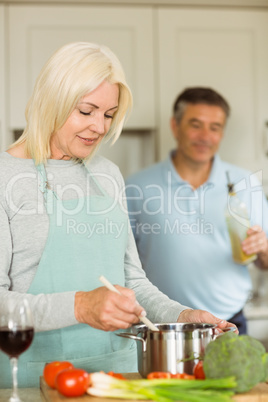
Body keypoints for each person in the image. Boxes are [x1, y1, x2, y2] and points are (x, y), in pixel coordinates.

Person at [0, 46, 236, 388]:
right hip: (36, 377)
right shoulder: (6, 177)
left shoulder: (107, 173)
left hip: (120, 373)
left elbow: (131, 281)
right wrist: (81, 306)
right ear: (52, 99)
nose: (99, 127)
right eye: (86, 111)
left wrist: (181, 316)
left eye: (108, 114)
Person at [126, 87, 268, 336]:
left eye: (215, 127)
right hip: (163, 323)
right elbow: (125, 265)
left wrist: (263, 249)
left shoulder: (245, 184)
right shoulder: (137, 187)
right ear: (175, 126)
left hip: (229, 322)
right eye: (196, 125)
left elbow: (265, 262)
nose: (205, 136)